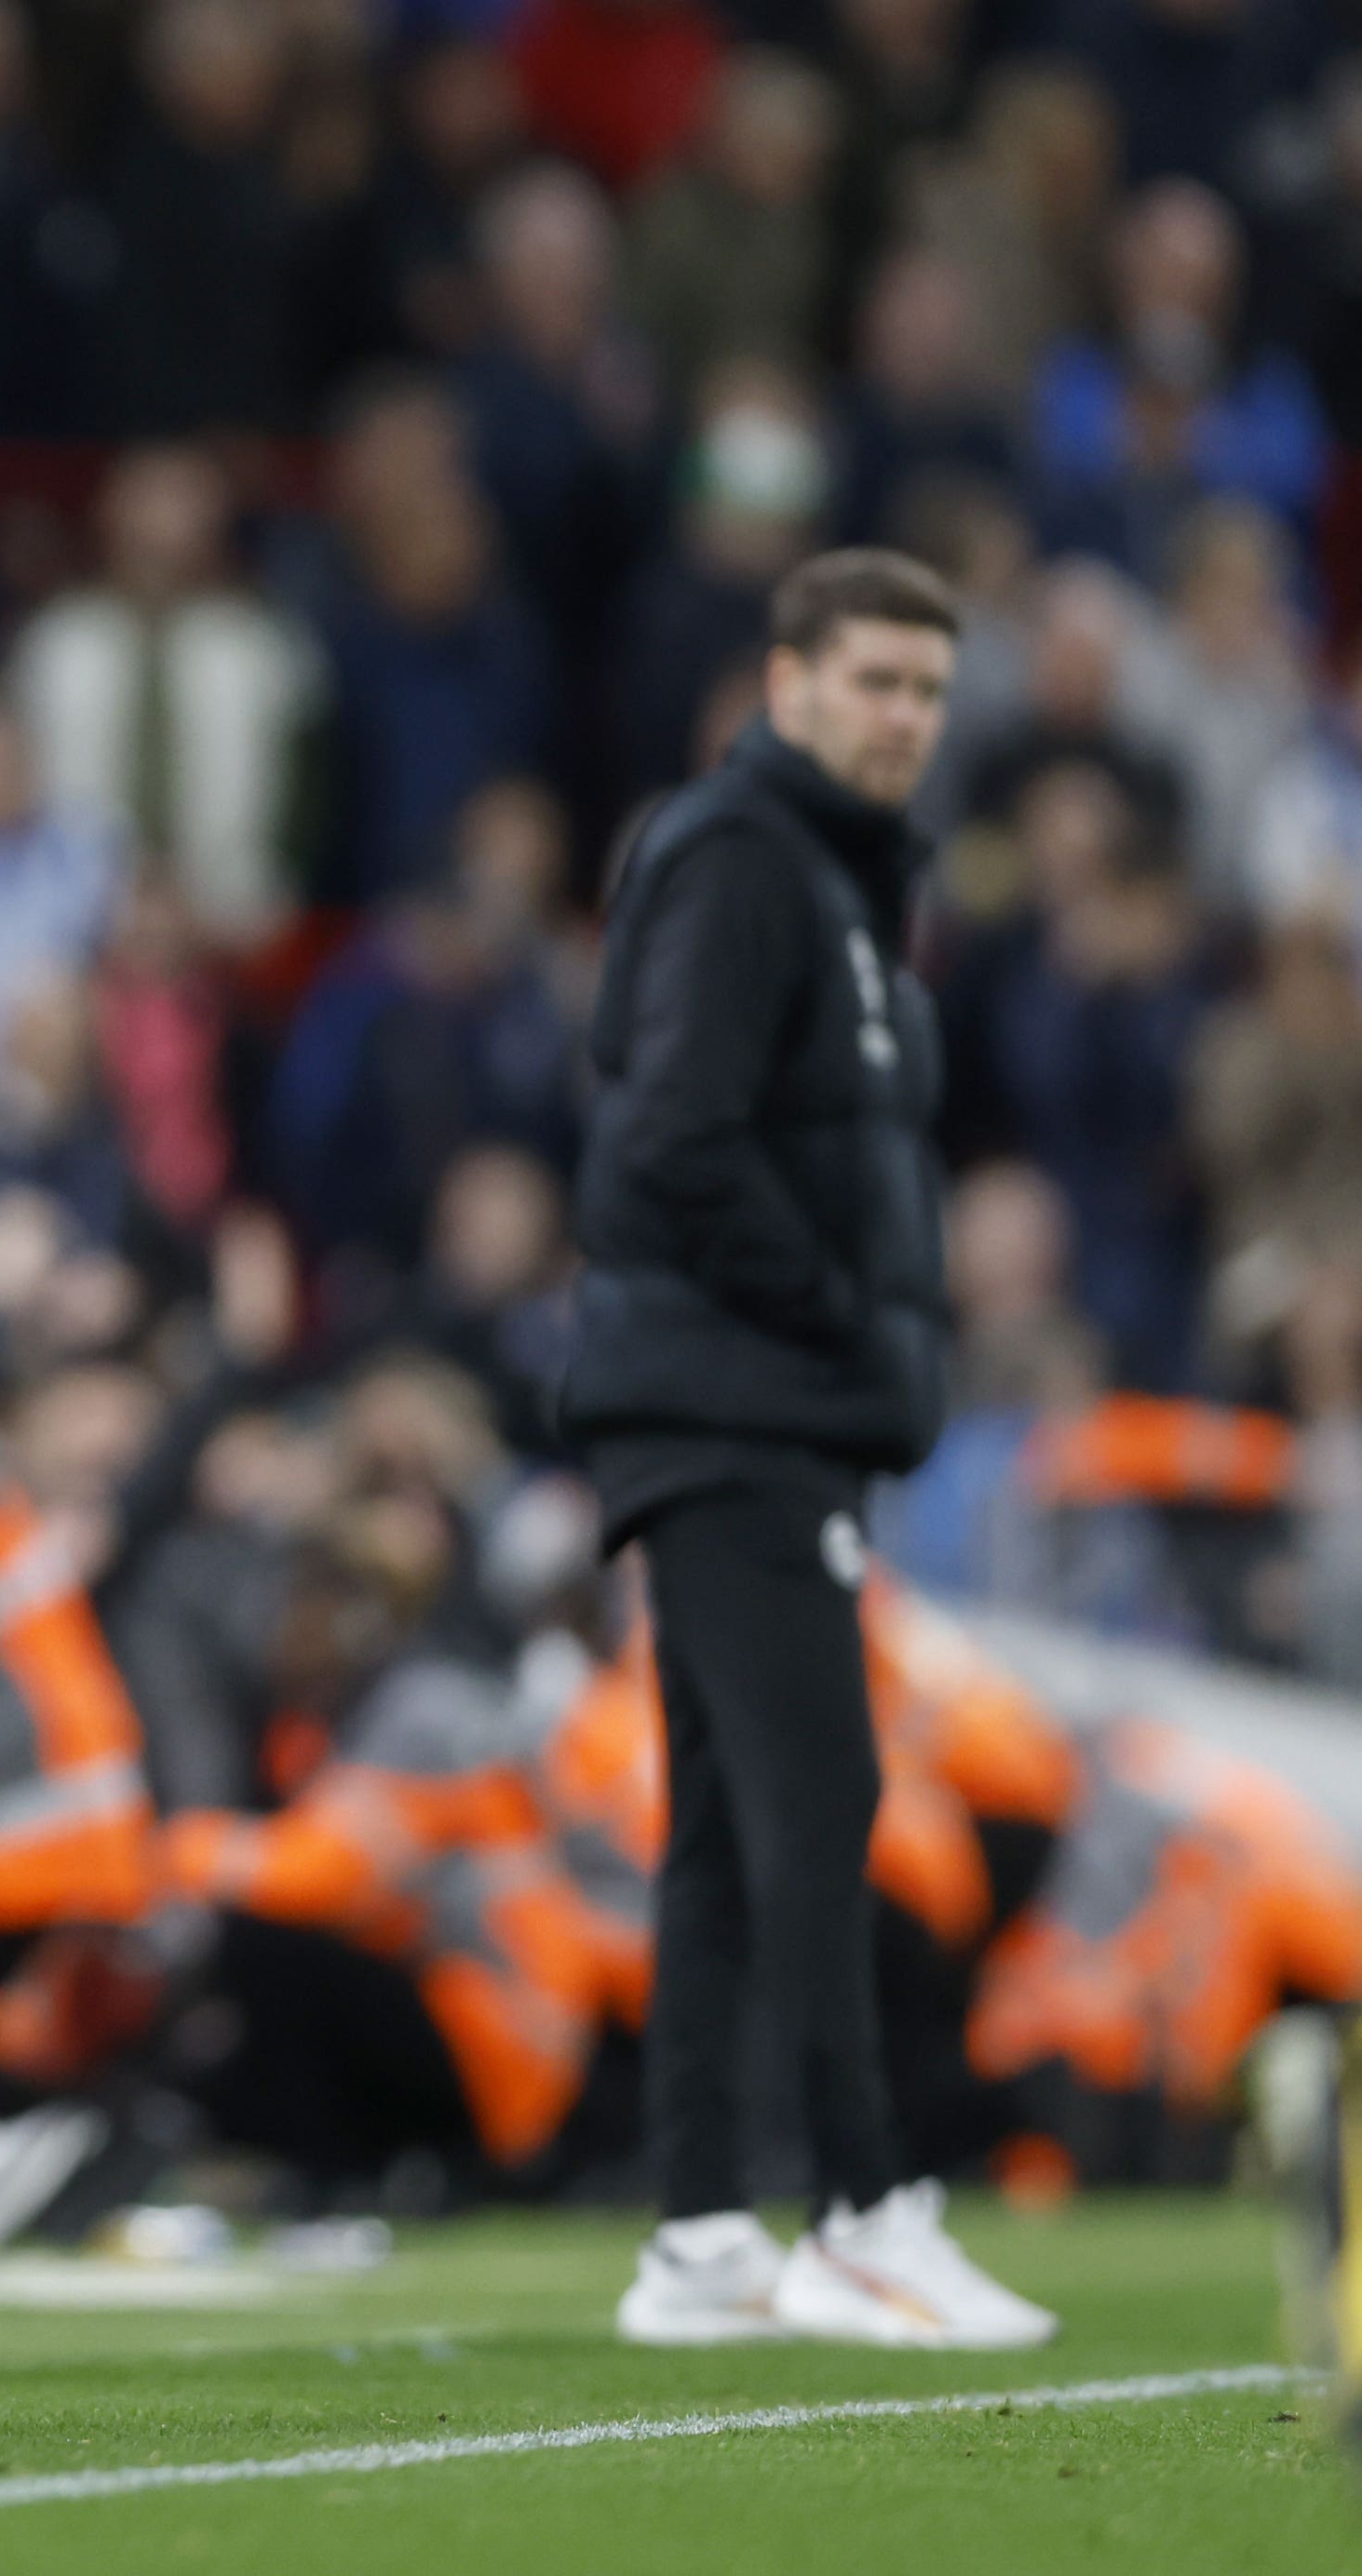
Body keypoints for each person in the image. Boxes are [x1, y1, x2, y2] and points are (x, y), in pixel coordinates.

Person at [559, 544, 1058, 2352]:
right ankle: (861, 2208)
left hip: (741, 1410)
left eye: (928, 690)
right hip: (734, 1409)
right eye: (872, 681)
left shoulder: (830, 878)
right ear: (785, 684)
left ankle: (701, 2233)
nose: (904, 720)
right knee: (819, 1798)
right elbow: (661, 1145)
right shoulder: (744, 861)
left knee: (719, 1824)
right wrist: (844, 1318)